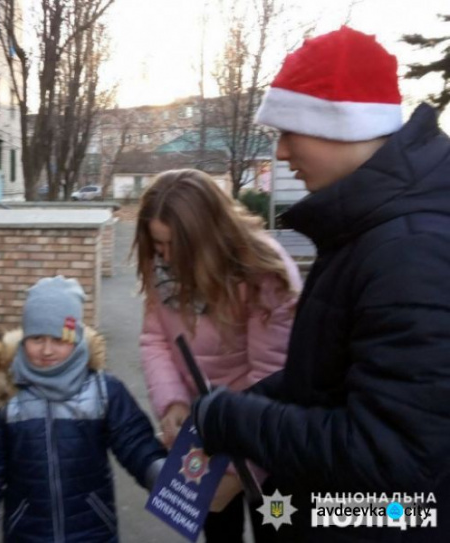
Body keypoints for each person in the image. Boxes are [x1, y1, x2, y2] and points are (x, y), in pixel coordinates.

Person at [192, 26, 450, 542]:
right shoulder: (369, 230)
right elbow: (329, 379)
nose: (282, 153)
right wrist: (246, 402)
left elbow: (392, 464)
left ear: (343, 126)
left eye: (290, 130)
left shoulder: (410, 249)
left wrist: (235, 419)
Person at [133, 168, 301, 542]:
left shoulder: (262, 273)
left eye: (175, 245)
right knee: (219, 532)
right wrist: (172, 404)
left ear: (207, 235)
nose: (165, 258)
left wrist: (240, 472)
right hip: (206, 433)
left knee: (275, 529)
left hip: (265, 447)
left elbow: (273, 382)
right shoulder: (162, 268)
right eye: (158, 245)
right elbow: (155, 340)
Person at [0, 276, 167, 542]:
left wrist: (158, 471)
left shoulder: (103, 391)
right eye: (37, 338)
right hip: (27, 532)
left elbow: (134, 441)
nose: (47, 350)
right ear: (24, 339)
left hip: (92, 530)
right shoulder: (5, 396)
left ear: (77, 337)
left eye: (58, 339)